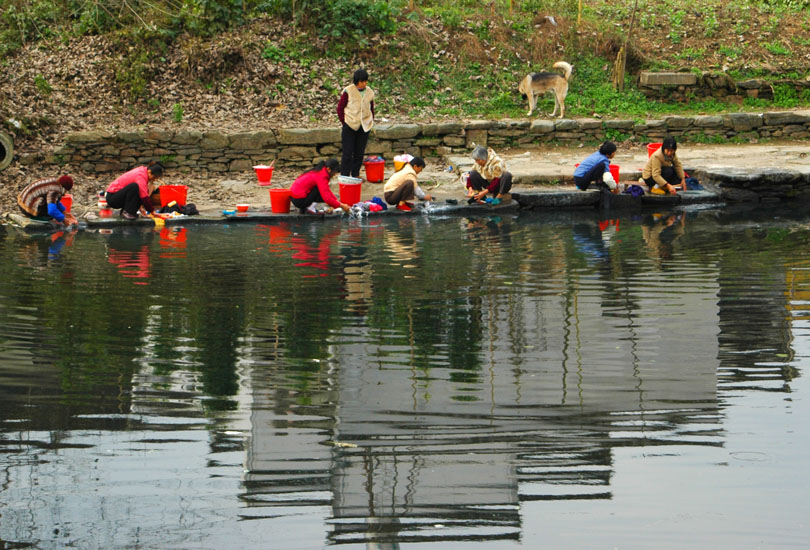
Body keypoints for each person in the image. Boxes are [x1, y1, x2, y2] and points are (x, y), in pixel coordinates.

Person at [337, 68, 375, 178]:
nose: (364, 83)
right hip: (350, 125)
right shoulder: (348, 91)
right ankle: (344, 176)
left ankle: (355, 175)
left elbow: (371, 108)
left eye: (366, 81)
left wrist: (371, 119)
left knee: (359, 153)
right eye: (362, 81)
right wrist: (344, 122)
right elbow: (340, 108)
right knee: (347, 153)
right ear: (357, 81)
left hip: (364, 126)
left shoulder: (370, 92)